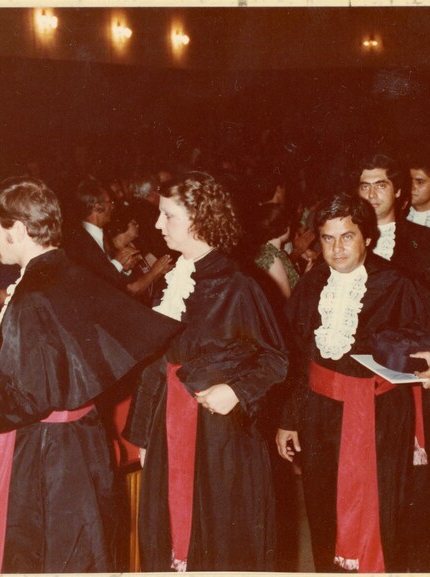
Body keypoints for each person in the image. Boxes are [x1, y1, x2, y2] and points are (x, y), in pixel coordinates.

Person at [0, 177, 183, 573]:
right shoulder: (68, 270)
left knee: (50, 558)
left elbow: (31, 398)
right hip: (84, 439)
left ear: (18, 230)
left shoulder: (32, 295)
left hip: (49, 456)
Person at [277, 193, 430, 573]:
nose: (337, 248)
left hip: (381, 419)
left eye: (347, 236)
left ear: (367, 237)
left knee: (383, 514)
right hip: (318, 416)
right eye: (328, 238)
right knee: (323, 510)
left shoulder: (397, 283)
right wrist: (288, 418)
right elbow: (295, 357)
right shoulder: (312, 284)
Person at [124, 172, 288, 572]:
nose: (158, 224)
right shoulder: (177, 275)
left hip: (219, 433)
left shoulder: (238, 285)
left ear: (199, 219)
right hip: (169, 420)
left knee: (218, 535)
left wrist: (236, 391)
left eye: (168, 215)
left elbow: (275, 359)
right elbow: (156, 363)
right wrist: (144, 433)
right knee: (167, 531)